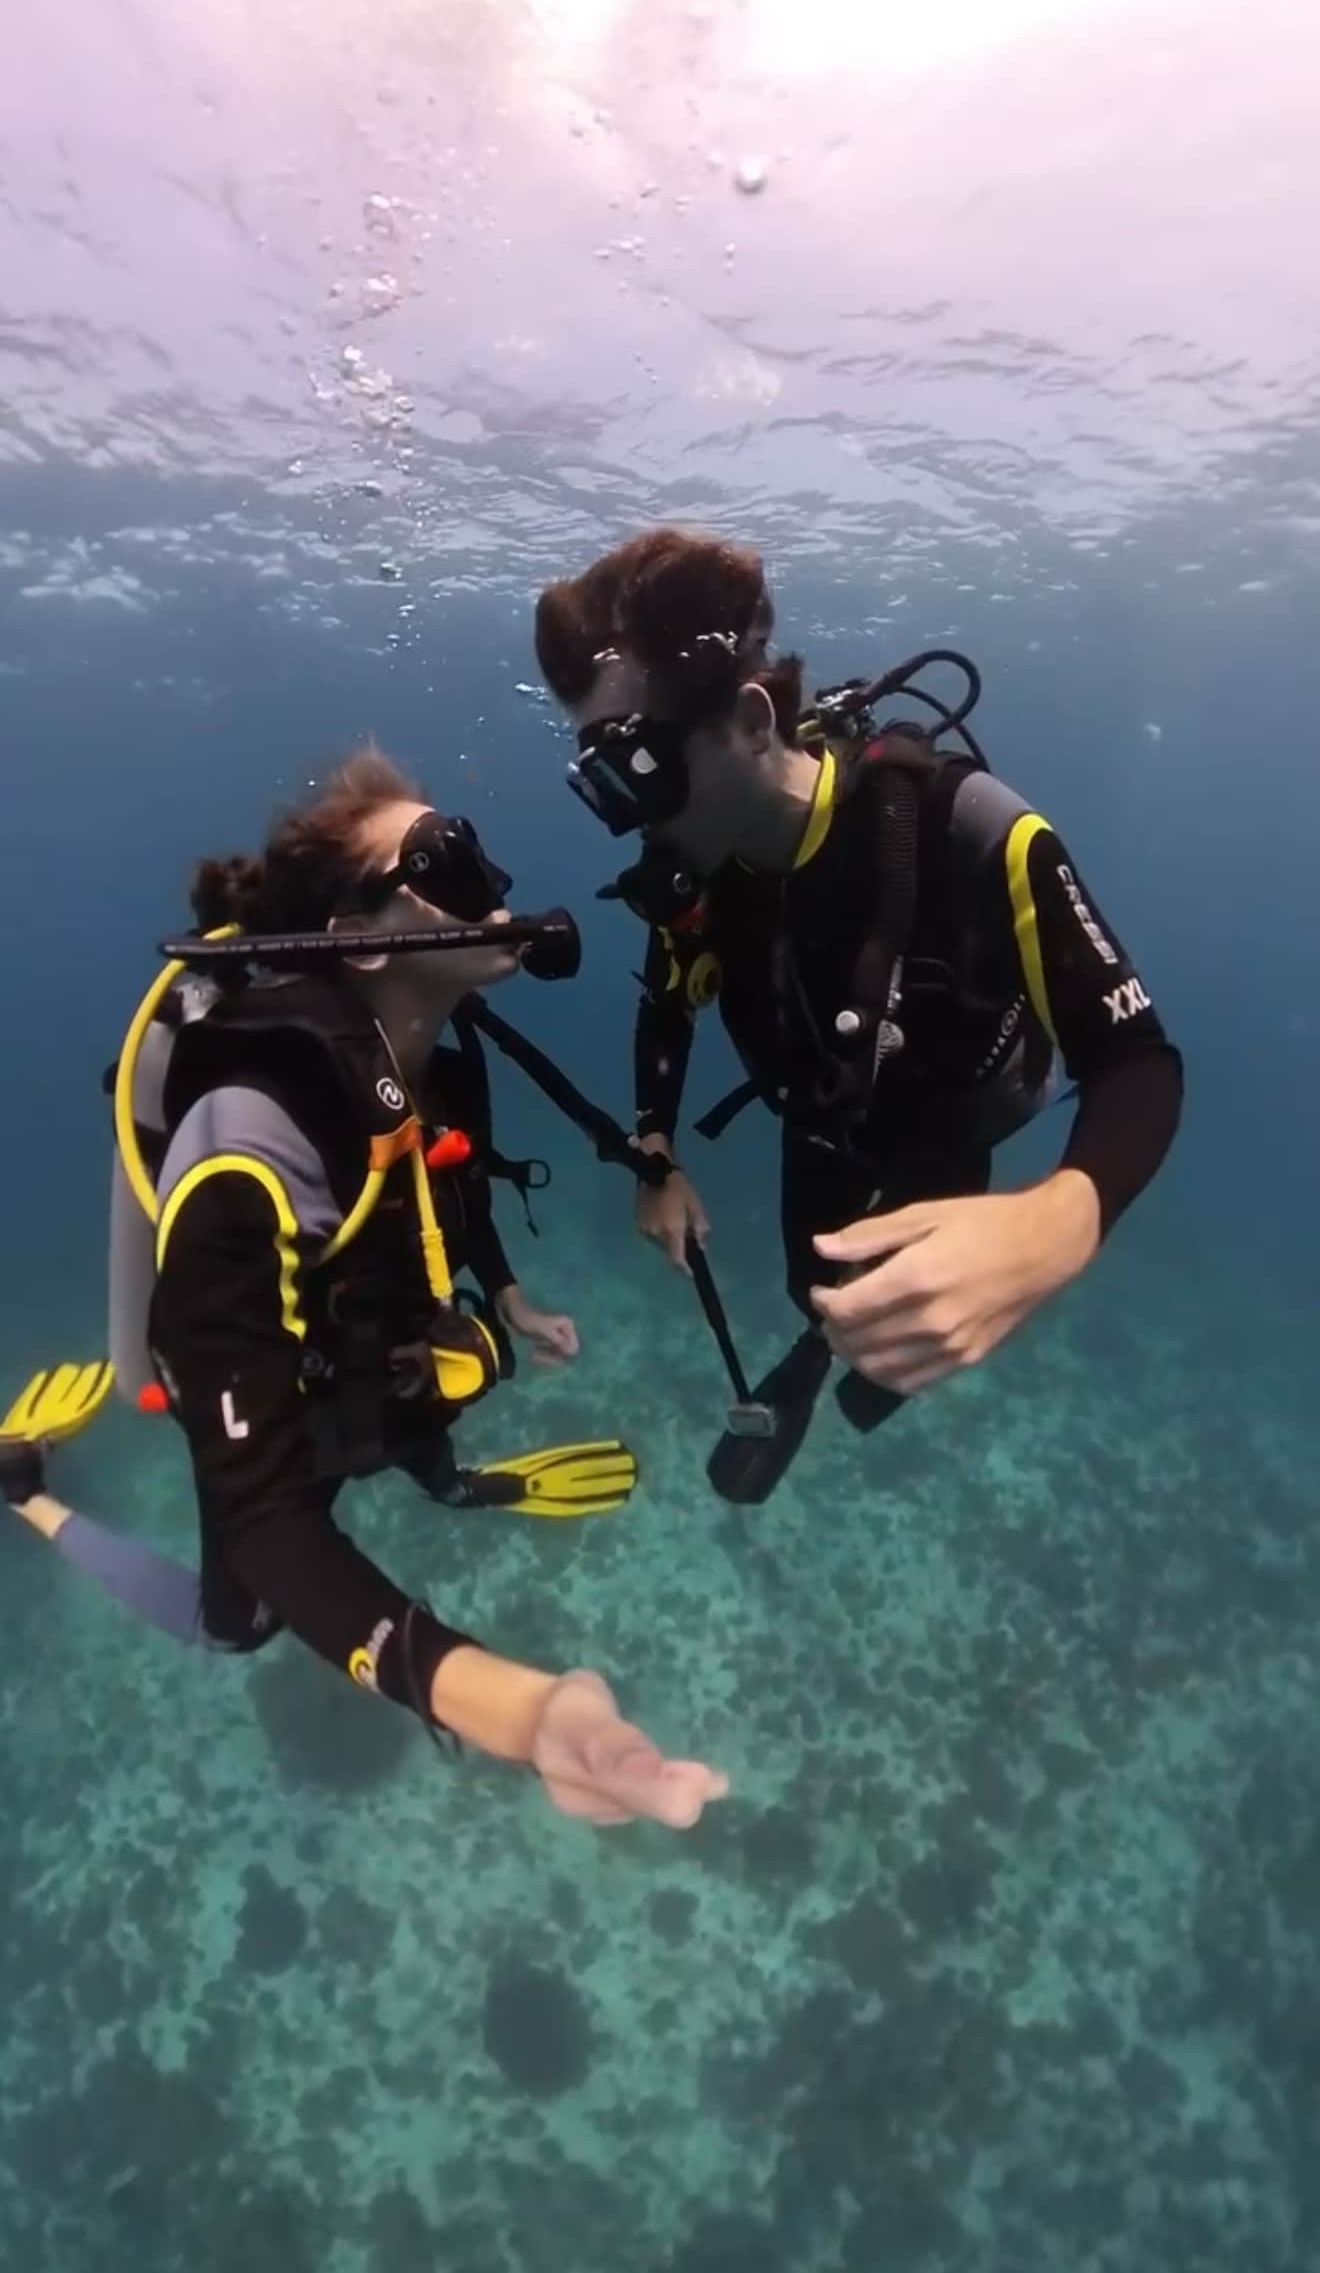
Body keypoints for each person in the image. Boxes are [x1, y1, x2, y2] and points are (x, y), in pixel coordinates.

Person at [1, 753, 728, 1828]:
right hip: (260, 1381)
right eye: (447, 859)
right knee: (235, 1623)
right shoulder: (250, 1137)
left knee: (421, 1417)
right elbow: (261, 1517)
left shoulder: (427, 1052)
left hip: (369, 1344)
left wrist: (508, 1295)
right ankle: (21, 1485)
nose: (495, 884)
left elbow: (445, 1193)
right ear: (364, 937)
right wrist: (525, 1713)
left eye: (477, 852)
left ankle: (449, 1482)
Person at [535, 528, 1184, 1503]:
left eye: (644, 766)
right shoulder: (699, 871)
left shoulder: (968, 828)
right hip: (822, 1117)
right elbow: (668, 1002)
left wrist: (1062, 1219)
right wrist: (654, 1155)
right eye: (605, 779)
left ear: (750, 719)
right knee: (818, 1292)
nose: (634, 814)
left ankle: (870, 1366)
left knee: (906, 1318)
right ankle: (815, 1356)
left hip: (953, 1117)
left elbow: (1137, 1059)